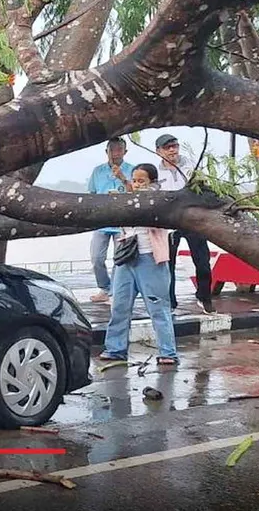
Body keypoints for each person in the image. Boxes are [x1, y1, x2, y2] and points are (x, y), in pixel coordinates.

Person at [100, 163, 179, 365]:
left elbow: (156, 216)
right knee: (119, 305)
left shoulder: (159, 201)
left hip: (150, 259)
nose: (136, 185)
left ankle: (168, 352)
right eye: (134, 181)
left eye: (141, 181)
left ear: (152, 182)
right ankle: (115, 349)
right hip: (126, 258)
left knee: (158, 307)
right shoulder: (128, 201)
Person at [153, 133, 216, 314]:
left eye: (175, 146)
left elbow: (203, 187)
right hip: (169, 224)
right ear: (159, 152)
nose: (172, 150)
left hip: (192, 220)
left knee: (202, 261)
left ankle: (204, 297)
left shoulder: (191, 165)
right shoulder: (156, 173)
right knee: (168, 264)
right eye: (167, 147)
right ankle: (170, 302)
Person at [87, 137, 135, 303]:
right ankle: (105, 288)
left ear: (125, 152)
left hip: (123, 221)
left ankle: (115, 291)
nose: (115, 153)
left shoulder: (132, 170)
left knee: (119, 259)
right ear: (106, 151)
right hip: (102, 220)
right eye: (112, 149)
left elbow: (136, 192)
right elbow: (91, 194)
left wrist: (122, 177)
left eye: (119, 149)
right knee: (96, 258)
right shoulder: (97, 171)